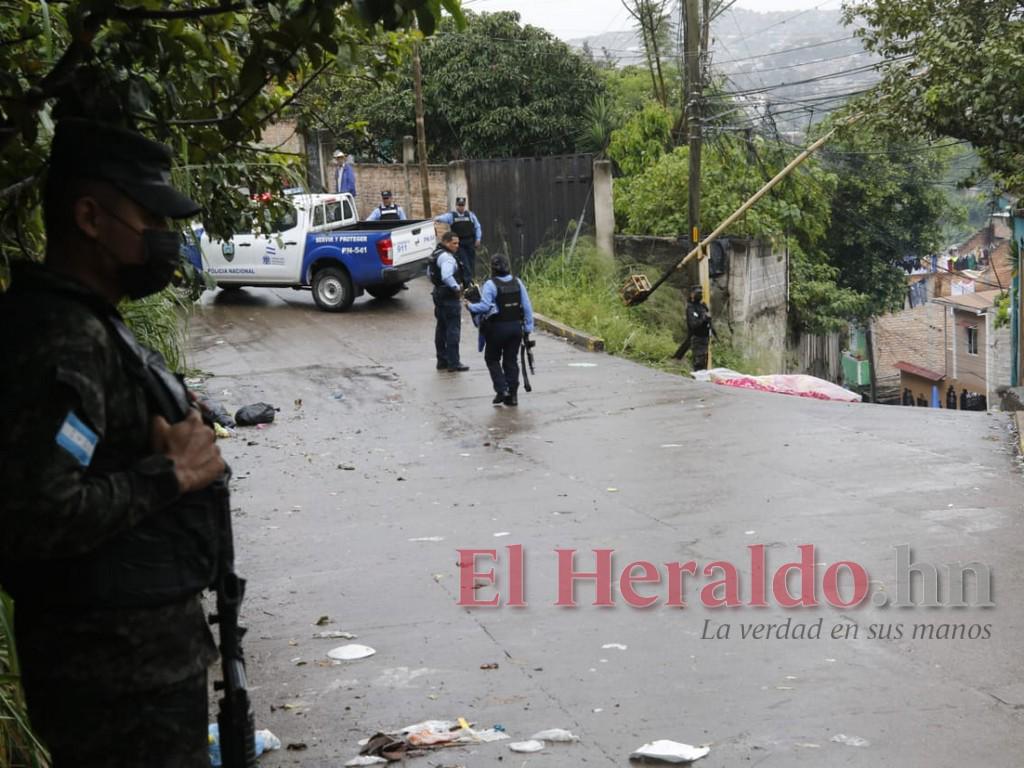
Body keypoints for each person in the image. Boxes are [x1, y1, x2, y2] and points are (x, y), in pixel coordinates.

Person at [0, 119, 226, 766]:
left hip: (141, 672)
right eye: (149, 217)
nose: (164, 236)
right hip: (113, 686)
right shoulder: (57, 339)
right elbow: (36, 514)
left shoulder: (90, 323)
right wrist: (173, 473)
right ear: (90, 217)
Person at [466, 254, 535, 406]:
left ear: (493, 268)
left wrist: (470, 306)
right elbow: (527, 306)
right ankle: (513, 396)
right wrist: (528, 328)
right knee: (511, 361)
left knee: (492, 358)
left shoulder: (491, 284)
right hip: (516, 328)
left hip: (497, 328)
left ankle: (502, 389)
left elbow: (484, 306)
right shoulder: (517, 282)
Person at [429, 231, 468, 372]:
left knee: (441, 328)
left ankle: (442, 361)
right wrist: (457, 288)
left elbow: (430, 273)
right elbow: (446, 276)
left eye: (458, 243)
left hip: (438, 294)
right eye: (454, 243)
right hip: (449, 296)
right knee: (453, 330)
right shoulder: (447, 258)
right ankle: (454, 362)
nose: (457, 246)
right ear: (446, 242)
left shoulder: (436, 254)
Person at [435, 196, 482, 283]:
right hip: (459, 244)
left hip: (470, 242)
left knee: (471, 263)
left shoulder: (470, 215)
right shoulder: (451, 216)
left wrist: (478, 239)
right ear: (456, 205)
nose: (461, 207)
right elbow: (440, 218)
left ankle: (472, 281)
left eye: (462, 205)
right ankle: (468, 283)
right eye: (459, 205)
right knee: (465, 263)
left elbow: (477, 227)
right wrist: (436, 219)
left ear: (464, 205)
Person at [684, 286, 713, 371]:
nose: (700, 295)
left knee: (704, 362)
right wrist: (703, 319)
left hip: (705, 338)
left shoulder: (702, 306)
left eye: (701, 293)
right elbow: (693, 324)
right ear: (692, 294)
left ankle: (702, 381)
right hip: (697, 338)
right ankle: (697, 381)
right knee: (698, 363)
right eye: (697, 293)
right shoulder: (691, 307)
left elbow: (709, 321)